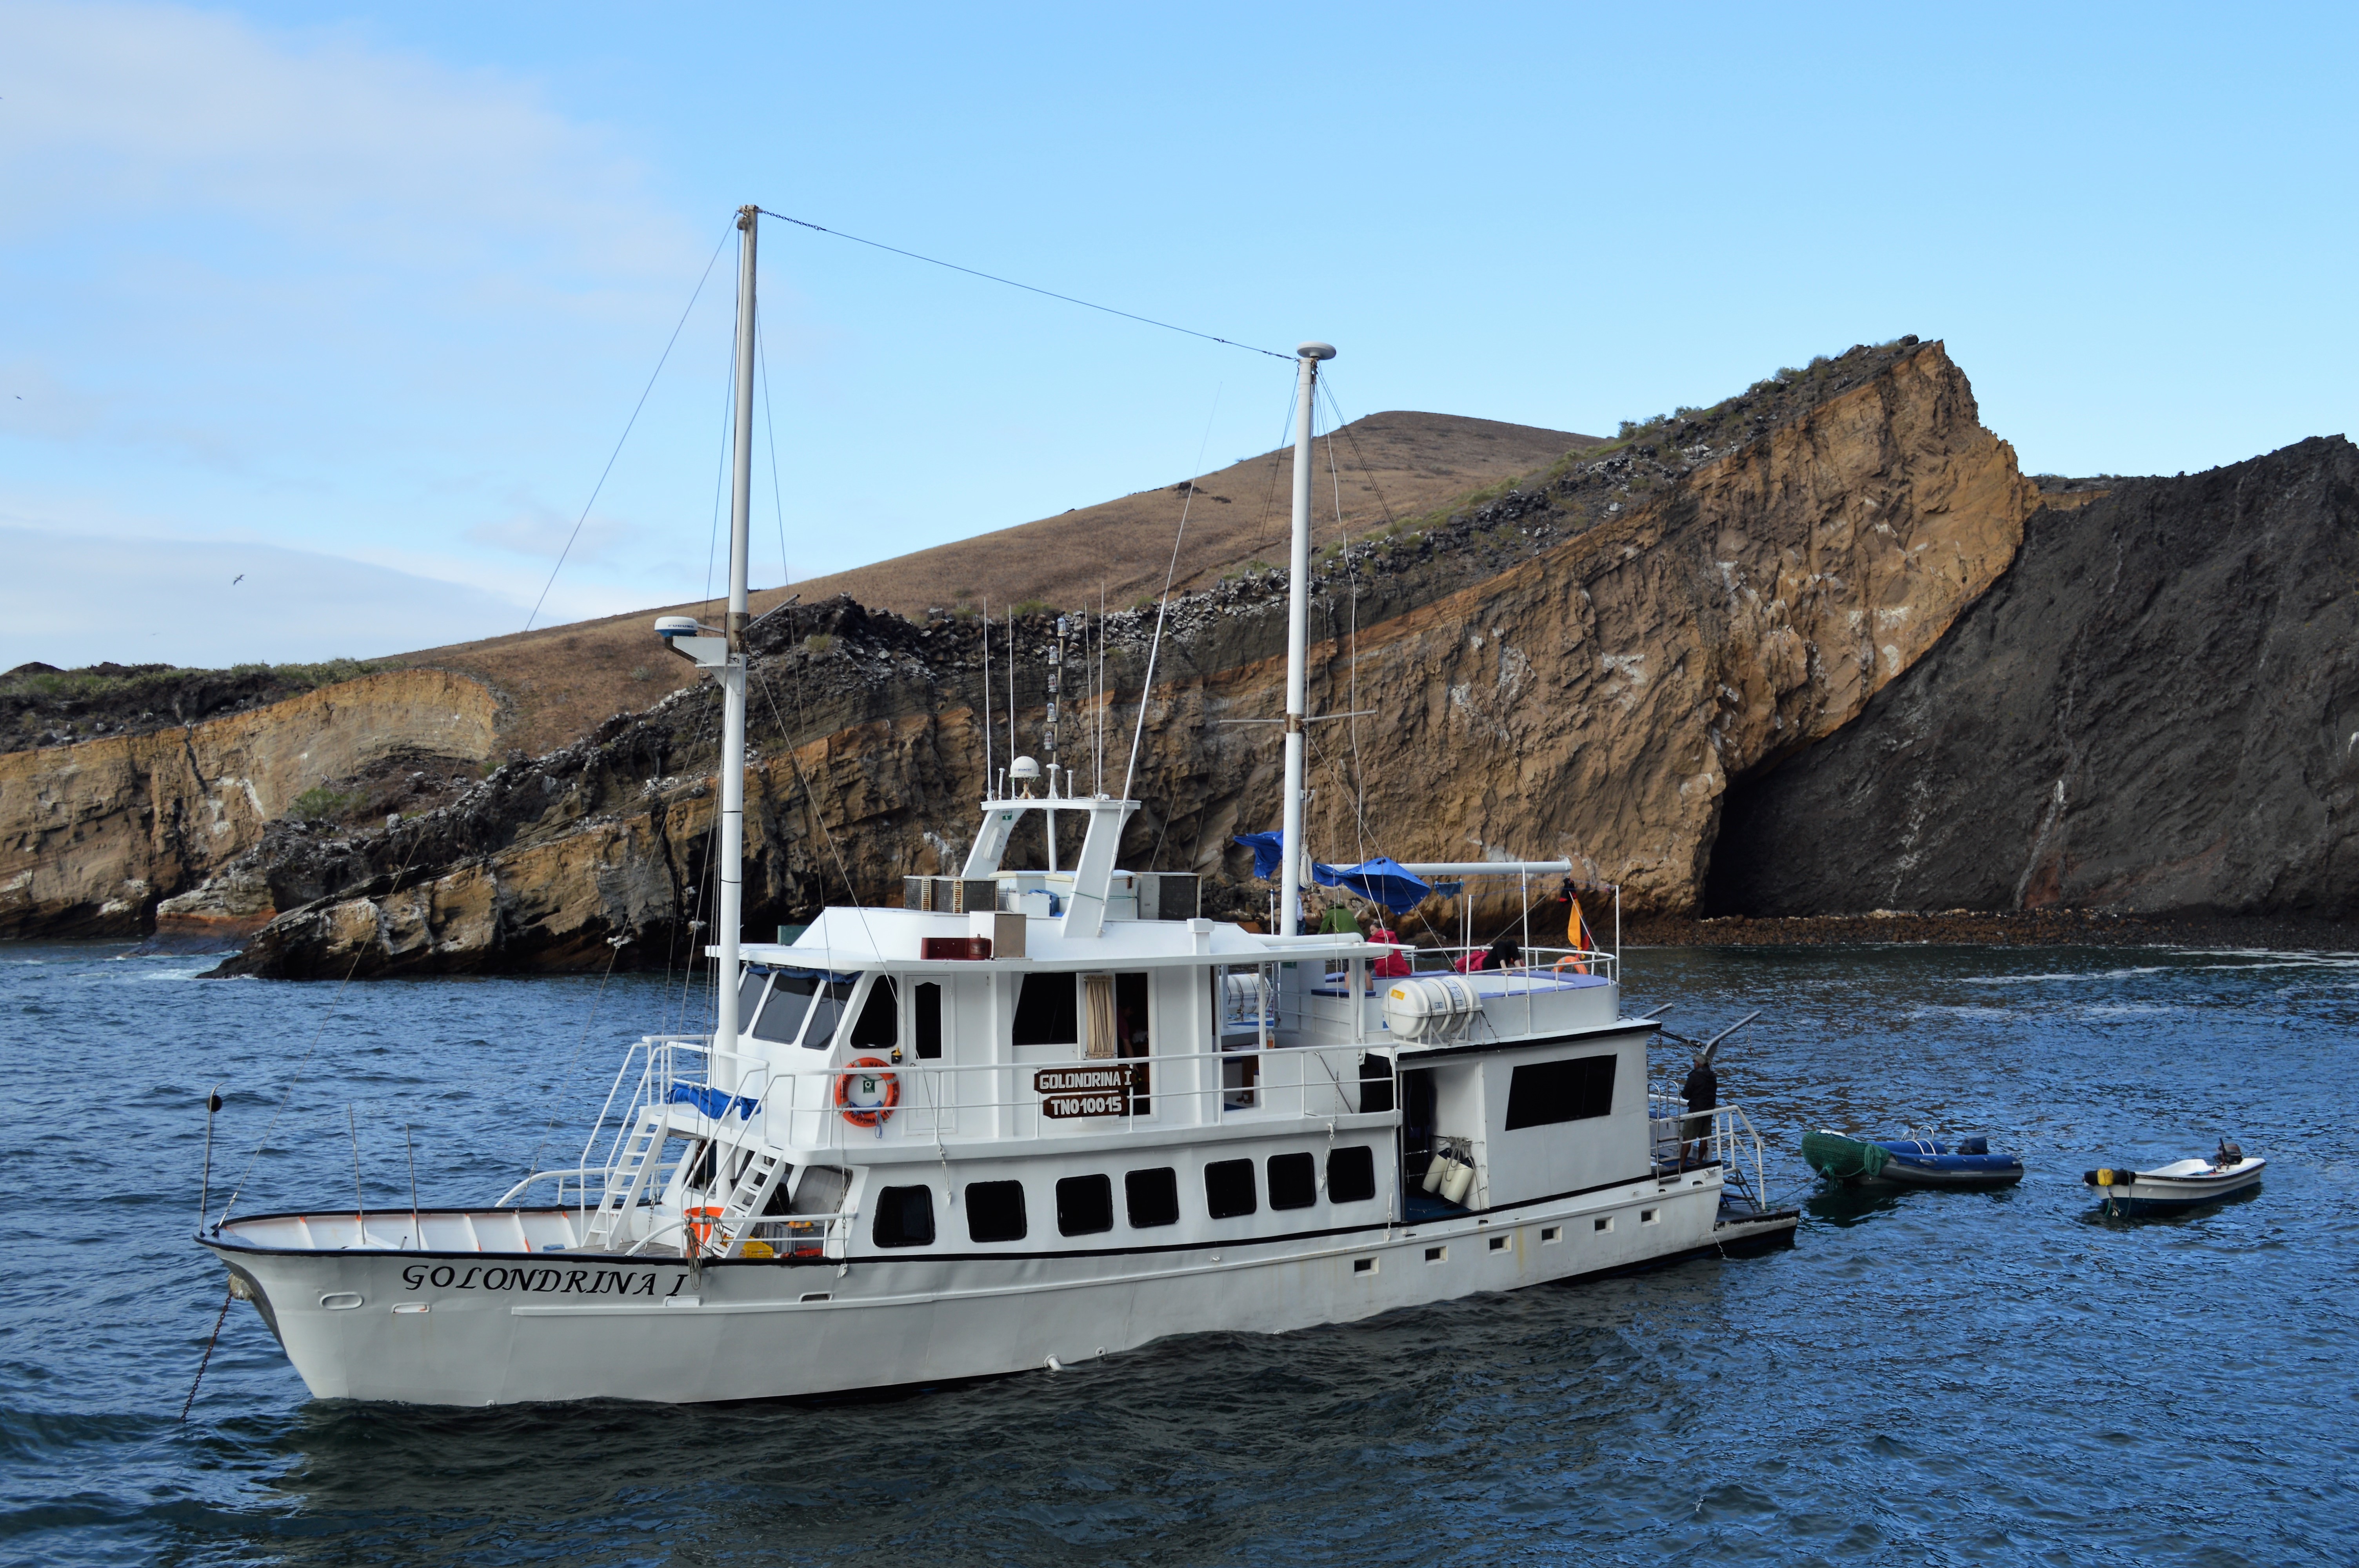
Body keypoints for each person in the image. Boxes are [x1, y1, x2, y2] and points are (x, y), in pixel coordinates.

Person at [1681, 1051, 1718, 1169]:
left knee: (1687, 1137)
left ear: (1698, 1064)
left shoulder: (1694, 1076)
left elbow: (1686, 1095)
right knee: (1704, 1137)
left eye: (1695, 1062)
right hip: (1709, 1110)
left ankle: (1682, 1164)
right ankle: (1699, 1160)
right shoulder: (1712, 1076)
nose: (1694, 1064)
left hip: (1696, 1110)